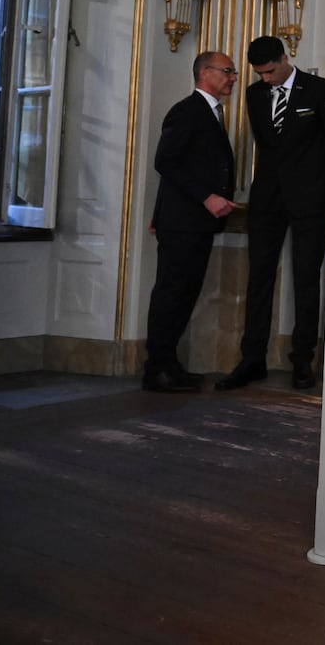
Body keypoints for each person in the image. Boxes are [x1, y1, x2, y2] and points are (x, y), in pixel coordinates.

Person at [216, 35, 325, 391]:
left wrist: (323, 184)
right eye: (260, 73)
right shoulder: (254, 94)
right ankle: (252, 359)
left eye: (270, 71)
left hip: (310, 199)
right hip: (267, 199)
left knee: (305, 278)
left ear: (284, 58)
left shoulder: (320, 89)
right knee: (259, 277)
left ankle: (303, 360)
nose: (266, 79)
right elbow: (267, 145)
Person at [144, 50, 238, 392]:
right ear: (205, 73)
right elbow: (165, 161)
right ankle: (156, 369)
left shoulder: (212, 113)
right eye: (227, 71)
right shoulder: (187, 111)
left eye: (234, 72)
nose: (233, 78)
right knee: (171, 294)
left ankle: (170, 365)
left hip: (195, 222)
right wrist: (207, 197)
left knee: (185, 294)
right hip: (183, 221)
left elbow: (185, 166)